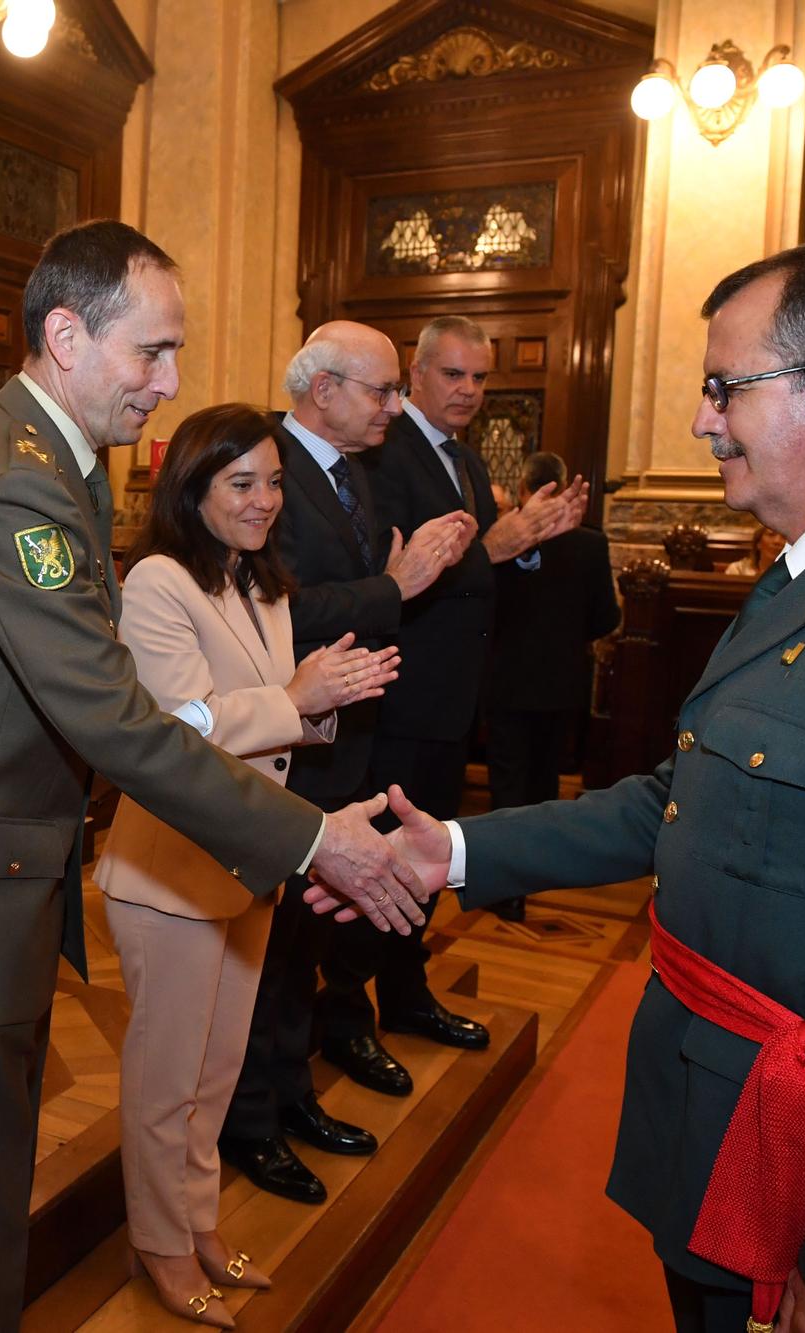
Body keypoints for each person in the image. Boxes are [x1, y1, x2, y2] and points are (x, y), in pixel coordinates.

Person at [385, 237, 805, 1333]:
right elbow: (679, 800)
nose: (700, 419)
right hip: (711, 1125)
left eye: (721, 387)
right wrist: (453, 851)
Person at [0, 220, 435, 1331]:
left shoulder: (47, 461)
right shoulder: (17, 484)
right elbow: (115, 718)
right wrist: (311, 839)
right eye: (150, 352)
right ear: (66, 335)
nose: (169, 382)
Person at [97, 402, 399, 1326]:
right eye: (242, 483)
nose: (266, 499)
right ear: (192, 488)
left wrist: (324, 699)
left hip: (248, 859)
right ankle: (158, 1242)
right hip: (170, 874)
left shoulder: (260, 583)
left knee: (216, 1073)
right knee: (167, 1082)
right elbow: (174, 728)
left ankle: (195, 1222)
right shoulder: (156, 581)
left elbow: (274, 719)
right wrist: (293, 695)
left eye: (272, 481)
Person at [219, 322, 477, 1204]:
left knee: (304, 942)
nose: (394, 407)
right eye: (381, 390)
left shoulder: (354, 471)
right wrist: (393, 590)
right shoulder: (264, 476)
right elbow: (273, 605)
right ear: (322, 389)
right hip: (285, 749)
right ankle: (251, 1120)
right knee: (264, 947)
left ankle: (291, 1093)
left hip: (346, 739)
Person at [323, 317, 588, 1087]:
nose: (469, 391)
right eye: (453, 375)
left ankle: (406, 994)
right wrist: (500, 544)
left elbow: (476, 574)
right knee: (371, 869)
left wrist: (530, 540)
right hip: (395, 704)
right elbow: (392, 572)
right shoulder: (383, 452)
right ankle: (343, 1012)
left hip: (451, 706)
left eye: (479, 378)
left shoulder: (466, 462)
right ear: (416, 372)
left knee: (424, 869)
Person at [480, 450, 621, 922]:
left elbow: (483, 612)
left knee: (508, 784)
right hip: (561, 683)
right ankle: (534, 872)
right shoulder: (590, 544)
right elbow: (607, 617)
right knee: (544, 785)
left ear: (523, 489)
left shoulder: (499, 542)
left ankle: (505, 887)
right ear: (559, 486)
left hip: (505, 680)